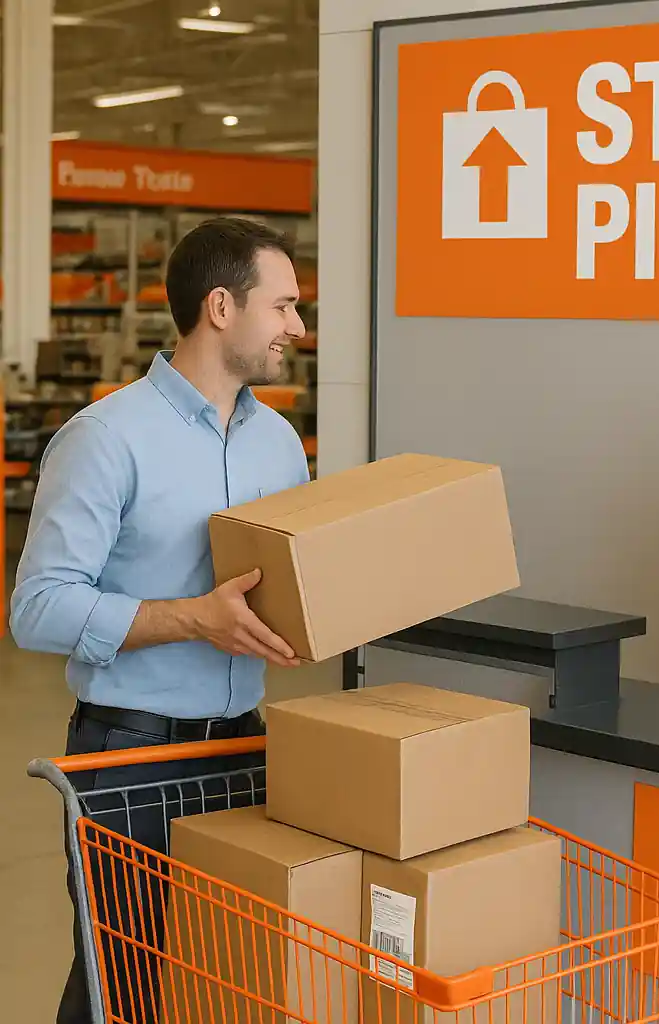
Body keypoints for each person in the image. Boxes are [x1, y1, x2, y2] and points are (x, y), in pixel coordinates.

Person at [10, 216, 310, 1023]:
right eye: (282, 306)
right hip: (133, 753)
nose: (297, 327)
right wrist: (194, 620)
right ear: (221, 306)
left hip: (247, 747)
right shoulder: (106, 439)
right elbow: (36, 608)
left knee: (220, 978)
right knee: (122, 983)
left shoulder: (280, 443)